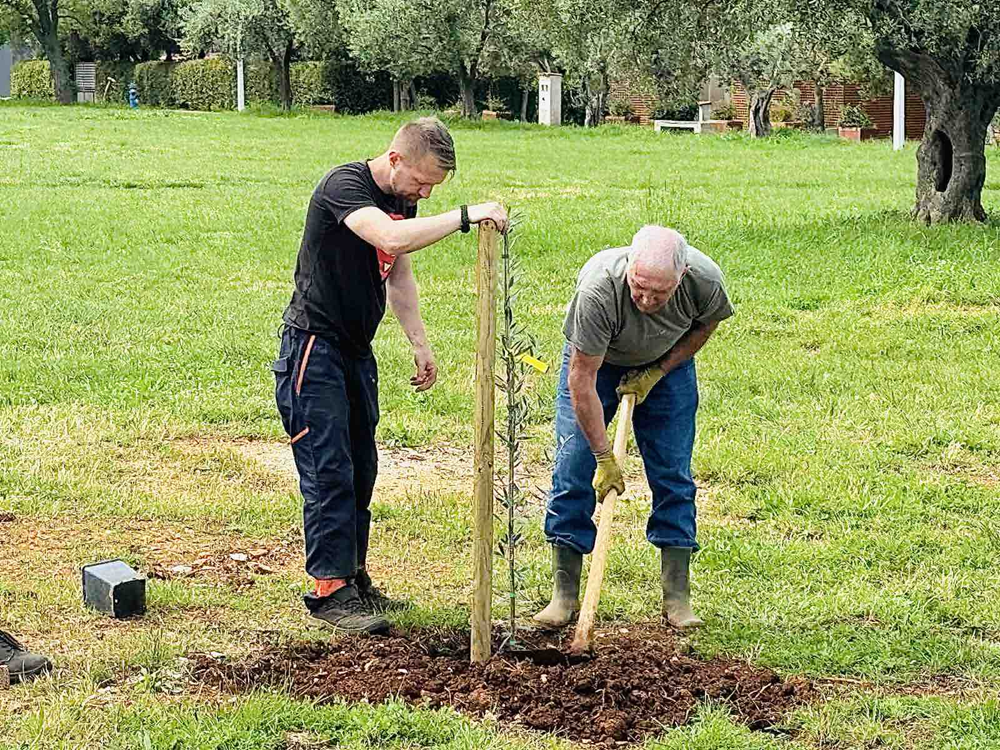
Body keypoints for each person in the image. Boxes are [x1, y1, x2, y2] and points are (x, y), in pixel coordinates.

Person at [274, 117, 508, 636]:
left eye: (432, 189)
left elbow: (396, 266)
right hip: (313, 347)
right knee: (328, 465)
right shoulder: (345, 186)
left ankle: (353, 578)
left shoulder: (404, 199)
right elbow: (387, 237)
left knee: (361, 465)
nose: (422, 193)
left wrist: (419, 342)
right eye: (420, 182)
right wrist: (466, 216)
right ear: (396, 158)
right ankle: (330, 591)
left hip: (356, 351)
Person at [533, 225, 733, 630]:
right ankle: (565, 595)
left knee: (673, 472)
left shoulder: (704, 280)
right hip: (596, 366)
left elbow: (706, 324)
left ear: (680, 278)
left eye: (659, 293)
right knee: (572, 467)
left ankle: (677, 597)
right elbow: (581, 378)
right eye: (639, 287)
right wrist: (604, 456)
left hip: (665, 370)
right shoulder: (599, 290)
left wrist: (658, 371)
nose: (646, 298)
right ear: (629, 267)